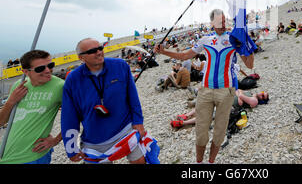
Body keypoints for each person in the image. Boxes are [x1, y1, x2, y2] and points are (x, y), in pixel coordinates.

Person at [154, 9, 254, 164]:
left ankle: (210, 162)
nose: (223, 25)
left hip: (226, 92)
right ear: (212, 23)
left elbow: (249, 64)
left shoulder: (233, 39)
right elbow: (184, 55)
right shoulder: (204, 40)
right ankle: (199, 162)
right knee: (201, 132)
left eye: (224, 21)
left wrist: (247, 45)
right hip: (205, 91)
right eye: (219, 22)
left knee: (220, 132)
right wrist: (164, 52)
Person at [61, 38, 147, 164]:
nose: (98, 52)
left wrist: (138, 121)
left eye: (100, 48)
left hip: (125, 129)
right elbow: (69, 116)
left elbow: (133, 97)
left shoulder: (120, 65)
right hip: (95, 140)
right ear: (81, 58)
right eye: (92, 51)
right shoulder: (73, 79)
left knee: (140, 161)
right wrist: (71, 148)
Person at [0, 50, 64, 164]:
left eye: (50, 65)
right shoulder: (18, 86)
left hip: (34, 156)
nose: (48, 70)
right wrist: (10, 101)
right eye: (40, 68)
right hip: (6, 152)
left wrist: (55, 140)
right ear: (25, 71)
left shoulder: (60, 86)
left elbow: (78, 115)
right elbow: (2, 121)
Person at [170, 90, 269, 128]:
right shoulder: (251, 93)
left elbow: (240, 95)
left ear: (262, 99)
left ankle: (183, 123)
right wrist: (240, 95)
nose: (262, 93)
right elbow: (238, 90)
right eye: (263, 92)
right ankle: (186, 115)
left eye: (264, 95)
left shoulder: (255, 101)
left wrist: (240, 95)